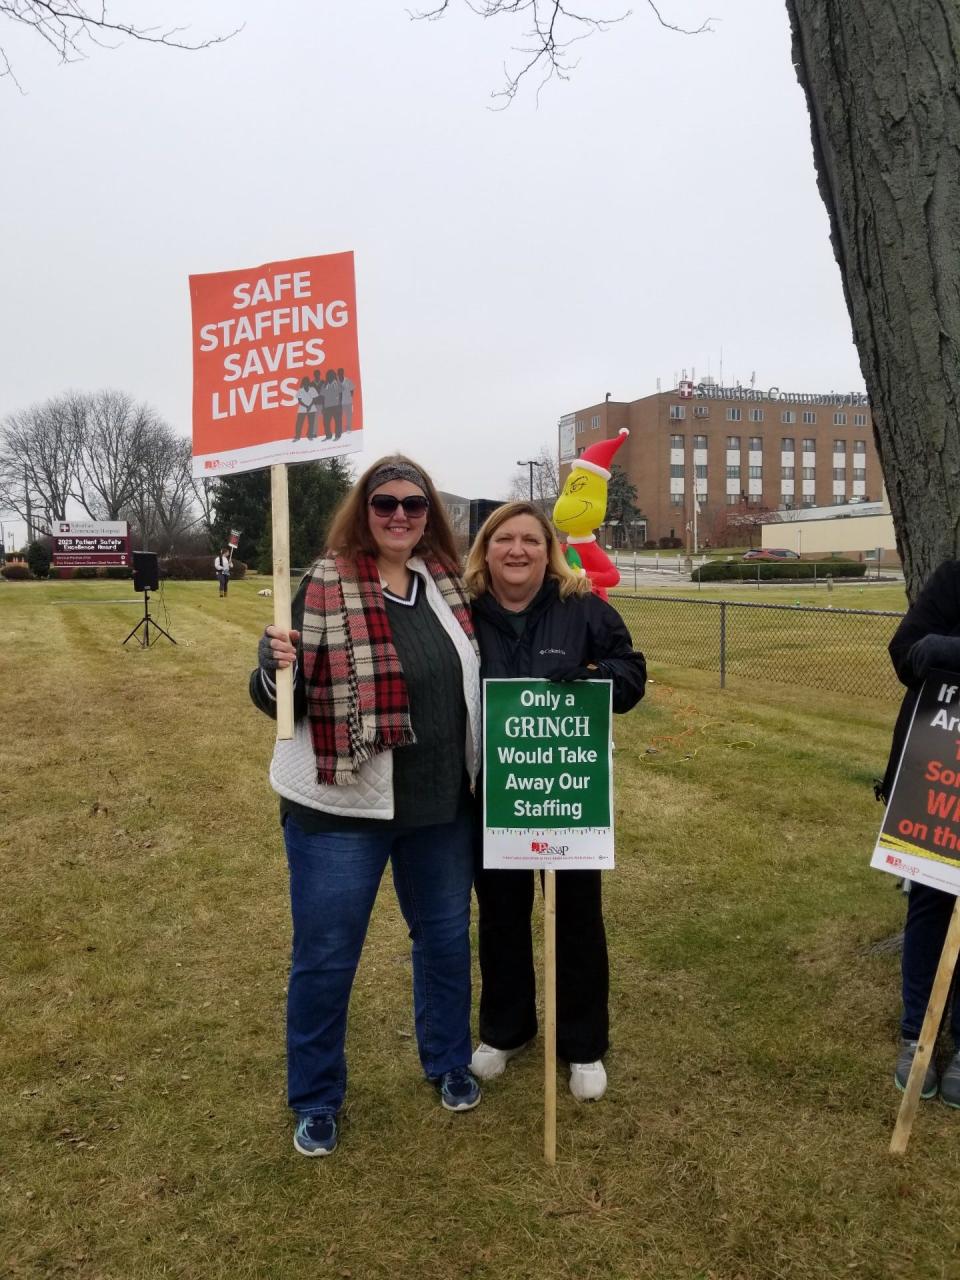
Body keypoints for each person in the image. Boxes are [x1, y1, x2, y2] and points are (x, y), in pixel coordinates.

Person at [250, 455, 483, 1157]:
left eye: (415, 505)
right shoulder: (324, 584)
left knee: (444, 942)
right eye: (386, 504)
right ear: (365, 510)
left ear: (430, 515)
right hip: (339, 808)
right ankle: (316, 1097)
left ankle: (447, 1060)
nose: (400, 516)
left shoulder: (447, 586)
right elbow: (274, 702)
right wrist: (271, 666)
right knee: (326, 957)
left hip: (439, 809)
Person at [463, 501, 646, 1101]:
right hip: (496, 790)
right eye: (504, 540)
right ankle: (505, 1030)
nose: (517, 551)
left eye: (531, 541)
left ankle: (583, 1044)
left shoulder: (582, 607)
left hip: (567, 792)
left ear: (550, 550)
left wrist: (594, 678)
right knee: (502, 916)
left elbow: (631, 675)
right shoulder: (464, 614)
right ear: (485, 550)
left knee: (575, 919)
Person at [882, 559, 960, 1105]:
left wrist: (948, 650)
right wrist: (930, 650)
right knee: (930, 901)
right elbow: (906, 653)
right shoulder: (953, 578)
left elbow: (935, 650)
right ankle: (918, 1036)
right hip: (938, 769)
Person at [293, 376, 318, 442]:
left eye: (307, 382)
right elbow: (299, 401)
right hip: (302, 409)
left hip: (312, 408)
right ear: (303, 383)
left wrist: (309, 406)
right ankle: (297, 436)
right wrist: (307, 406)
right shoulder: (300, 390)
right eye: (305, 382)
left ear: (309, 382)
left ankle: (309, 435)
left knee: (311, 423)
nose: (306, 383)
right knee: (299, 423)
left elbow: (315, 399)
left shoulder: (312, 389)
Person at [321, 370, 343, 441]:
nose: (329, 377)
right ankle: (328, 436)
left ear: (334, 376)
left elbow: (340, 395)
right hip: (327, 407)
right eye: (328, 375)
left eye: (331, 375)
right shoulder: (325, 384)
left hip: (336, 406)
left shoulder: (337, 384)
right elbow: (322, 396)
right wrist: (323, 407)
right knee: (326, 422)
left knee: (338, 422)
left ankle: (337, 436)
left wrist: (339, 406)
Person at [337, 368, 356, 433]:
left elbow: (352, 390)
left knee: (348, 415)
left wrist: (349, 398)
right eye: (339, 373)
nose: (340, 374)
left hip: (348, 402)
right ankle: (341, 429)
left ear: (343, 373)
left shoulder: (348, 380)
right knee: (339, 416)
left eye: (341, 372)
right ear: (337, 373)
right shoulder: (336, 382)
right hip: (339, 403)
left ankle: (348, 428)